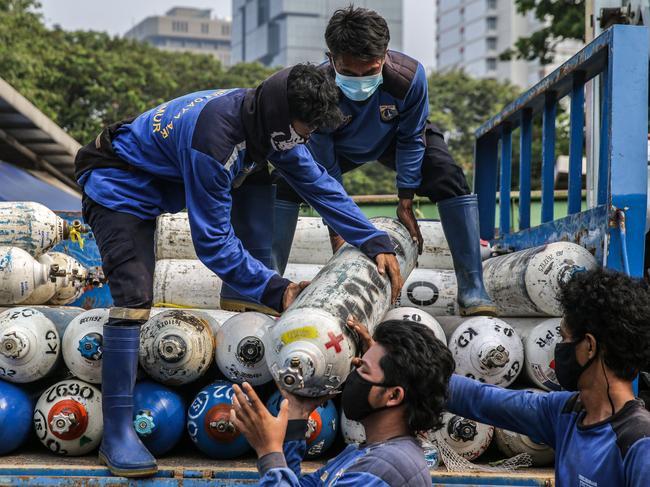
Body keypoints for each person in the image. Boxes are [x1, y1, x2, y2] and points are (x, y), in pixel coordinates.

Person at [75, 64, 403, 477]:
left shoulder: (267, 120)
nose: (300, 142)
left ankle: (242, 287)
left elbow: (317, 183)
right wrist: (278, 289)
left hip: (163, 177)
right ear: (279, 116)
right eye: (299, 132)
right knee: (133, 295)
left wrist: (373, 240)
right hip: (118, 184)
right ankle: (118, 432)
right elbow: (211, 242)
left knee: (260, 172)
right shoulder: (216, 142)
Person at [271, 6, 496, 317]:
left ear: (385, 55)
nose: (361, 81)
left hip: (395, 139)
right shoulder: (318, 88)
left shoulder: (408, 78)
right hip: (340, 146)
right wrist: (339, 228)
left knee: (448, 175)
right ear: (332, 57)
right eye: (350, 73)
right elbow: (322, 167)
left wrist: (406, 198)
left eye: (370, 71)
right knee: (286, 180)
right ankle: (268, 285)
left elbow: (411, 138)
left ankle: (472, 288)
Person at [446, 268, 650, 486]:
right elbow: (481, 399)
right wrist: (417, 370)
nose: (559, 347)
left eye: (564, 337)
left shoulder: (639, 445)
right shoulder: (566, 412)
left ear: (589, 346)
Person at [231, 318, 455, 486]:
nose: (353, 377)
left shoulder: (384, 468)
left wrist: (269, 450)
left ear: (393, 396)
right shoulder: (363, 454)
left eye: (363, 370)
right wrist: (298, 416)